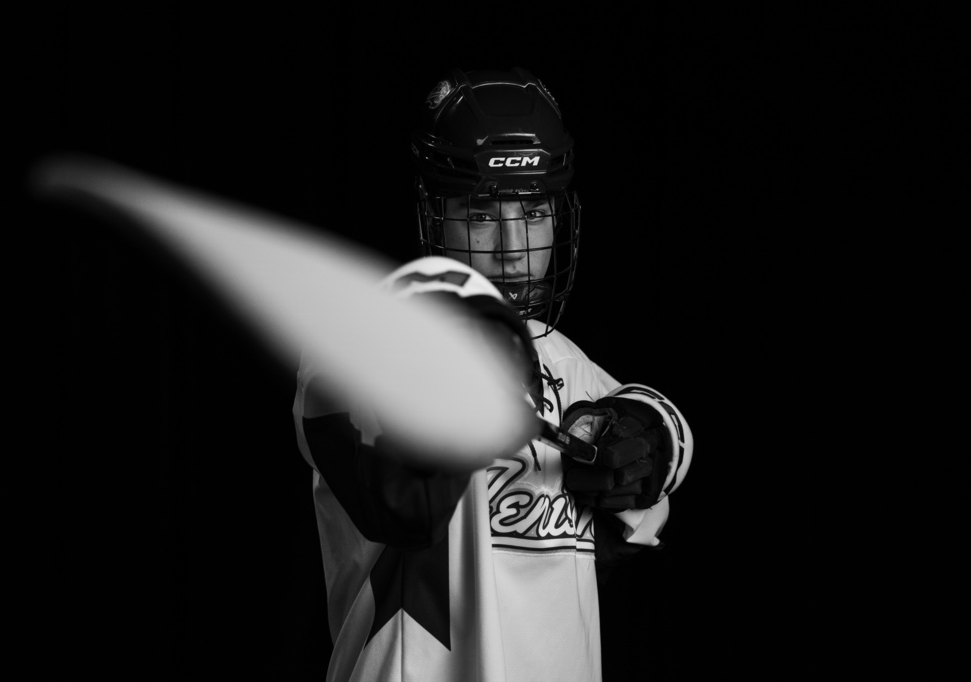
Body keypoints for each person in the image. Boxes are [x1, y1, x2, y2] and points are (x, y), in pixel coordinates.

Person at [293, 68, 693, 682]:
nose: (511, 247)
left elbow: (659, 448)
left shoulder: (571, 367)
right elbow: (393, 491)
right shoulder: (360, 346)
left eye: (533, 211)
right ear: (434, 218)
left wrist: (656, 434)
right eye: (481, 214)